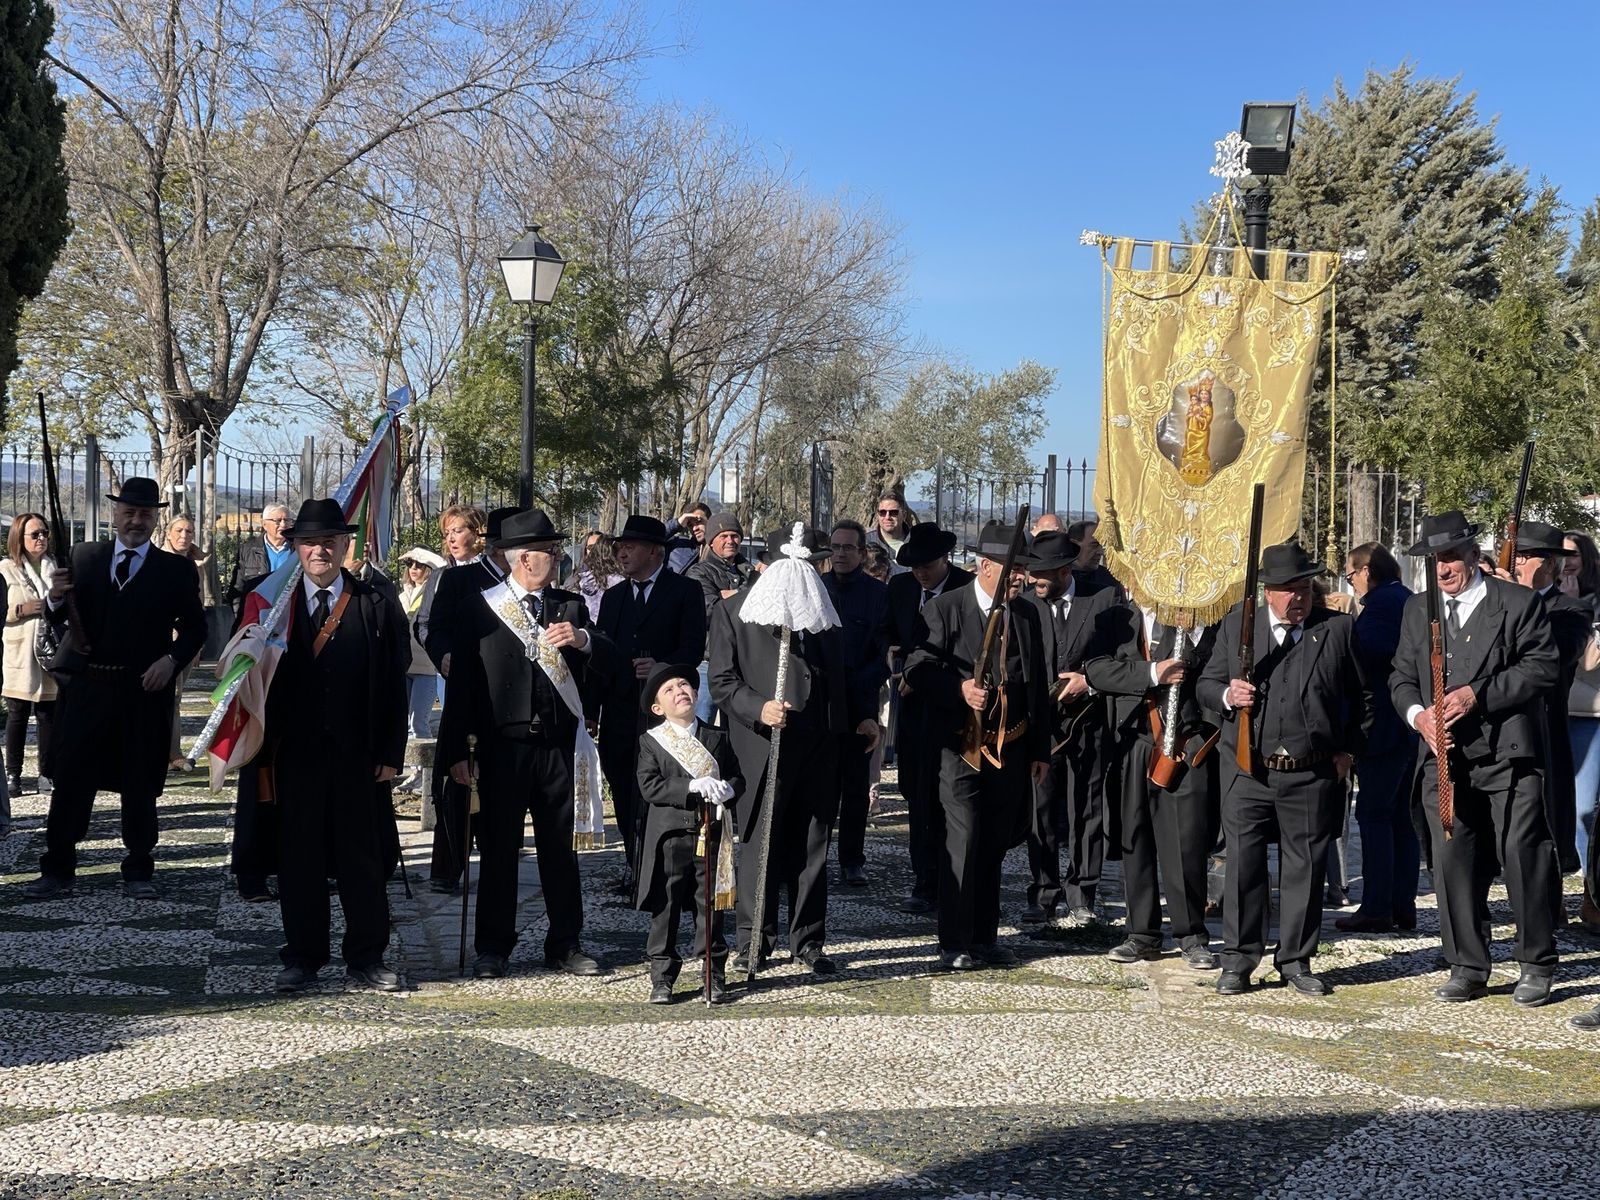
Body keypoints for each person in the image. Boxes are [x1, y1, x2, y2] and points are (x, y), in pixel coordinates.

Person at [1391, 510, 1561, 1006]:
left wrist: (1476, 696)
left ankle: (1535, 962)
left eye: (1449, 557)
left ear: (1472, 554)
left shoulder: (1517, 603)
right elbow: (1400, 676)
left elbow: (1542, 668)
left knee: (1522, 856)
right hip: (1444, 757)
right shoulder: (1418, 610)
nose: (1442, 569)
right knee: (1452, 862)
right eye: (1434, 560)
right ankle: (1467, 963)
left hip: (1509, 755)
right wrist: (1418, 715)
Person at [441, 508, 607, 978]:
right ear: (522, 557)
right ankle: (493, 946)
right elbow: (464, 685)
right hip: (501, 747)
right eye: (548, 552)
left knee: (561, 849)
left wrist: (584, 641)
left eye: (556, 551)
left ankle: (566, 943)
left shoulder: (571, 607)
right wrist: (456, 751)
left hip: (557, 747)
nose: (555, 558)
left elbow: (604, 668)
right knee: (498, 849)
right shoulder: (480, 606)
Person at [1202, 542, 1373, 996]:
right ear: (1267, 593)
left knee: (1306, 867)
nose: (1297, 598)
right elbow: (1206, 684)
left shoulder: (1337, 629)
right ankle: (1238, 959)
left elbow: (1365, 699)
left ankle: (1296, 960)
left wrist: (1348, 752)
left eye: (1303, 589)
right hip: (1247, 770)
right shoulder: (1239, 626)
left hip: (1310, 771)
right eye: (1286, 590)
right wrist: (1226, 697)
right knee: (1243, 867)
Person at [24, 478, 206, 900]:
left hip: (142, 690)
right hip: (88, 688)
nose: (136, 520)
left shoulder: (174, 569)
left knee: (140, 780)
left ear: (156, 518)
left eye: (145, 514)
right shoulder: (85, 557)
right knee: (71, 780)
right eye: (128, 512)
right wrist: (53, 599)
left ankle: (139, 868)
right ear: (115, 514)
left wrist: (171, 661)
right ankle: (58, 868)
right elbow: (60, 621)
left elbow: (196, 630)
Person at [255, 498, 408, 992]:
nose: (319, 550)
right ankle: (302, 956)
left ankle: (367, 956)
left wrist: (390, 752)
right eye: (309, 542)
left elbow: (392, 683)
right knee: (299, 859)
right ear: (295, 547)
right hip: (293, 755)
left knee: (361, 859)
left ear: (345, 546)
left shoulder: (375, 604)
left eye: (329, 542)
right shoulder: (268, 603)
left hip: (357, 755)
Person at [709, 527, 858, 975]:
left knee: (812, 843)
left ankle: (807, 938)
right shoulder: (733, 612)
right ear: (767, 566)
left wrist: (855, 722)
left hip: (818, 743)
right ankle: (754, 939)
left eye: (813, 567)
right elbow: (721, 681)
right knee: (761, 843)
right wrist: (759, 707)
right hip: (763, 744)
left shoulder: (823, 611)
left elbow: (840, 677)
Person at [906, 522, 1049, 970]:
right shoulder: (947, 609)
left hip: (1011, 748)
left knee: (993, 844)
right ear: (985, 567)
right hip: (960, 749)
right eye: (1011, 571)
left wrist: (1041, 751)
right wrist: (959, 689)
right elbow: (917, 668)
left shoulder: (1027, 614)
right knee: (962, 843)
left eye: (1022, 570)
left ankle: (985, 937)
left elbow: (1039, 687)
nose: (1019, 579)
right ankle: (954, 941)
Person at [1083, 594, 1220, 970]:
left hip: (1184, 744)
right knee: (1136, 841)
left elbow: (1215, 668)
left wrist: (1191, 631)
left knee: (1186, 842)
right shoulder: (1115, 617)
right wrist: (1152, 673)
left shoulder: (1200, 614)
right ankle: (1141, 934)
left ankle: (1191, 934)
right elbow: (1097, 670)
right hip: (1134, 744)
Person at [591, 515, 707, 883]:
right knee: (624, 786)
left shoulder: (684, 592)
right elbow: (602, 654)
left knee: (664, 786)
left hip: (665, 712)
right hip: (621, 709)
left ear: (655, 551)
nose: (622, 553)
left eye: (631, 547)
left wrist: (663, 667)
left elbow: (693, 646)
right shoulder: (613, 596)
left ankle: (669, 868)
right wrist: (592, 710)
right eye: (619, 547)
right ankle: (636, 864)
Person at [1023, 529, 1119, 926]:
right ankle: (1043, 892)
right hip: (1041, 729)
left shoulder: (1102, 600)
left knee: (1087, 811)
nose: (1034, 580)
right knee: (1040, 813)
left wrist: (1087, 680)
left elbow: (1118, 657)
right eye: (1031, 572)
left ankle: (1082, 894)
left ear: (1064, 571)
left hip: (1088, 725)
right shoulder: (1025, 606)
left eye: (1042, 573)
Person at [634, 662, 742, 1004]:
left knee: (709, 904)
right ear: (657, 708)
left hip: (710, 833)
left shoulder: (717, 737)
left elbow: (737, 776)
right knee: (665, 906)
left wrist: (729, 789)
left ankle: (713, 973)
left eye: (684, 685)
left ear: (696, 693)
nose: (679, 691)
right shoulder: (651, 742)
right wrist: (691, 785)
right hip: (670, 838)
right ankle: (662, 977)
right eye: (669, 690)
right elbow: (649, 786)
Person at [885, 522, 973, 912]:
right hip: (911, 706)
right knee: (917, 793)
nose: (921, 572)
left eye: (928, 565)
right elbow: (884, 633)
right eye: (915, 565)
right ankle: (924, 880)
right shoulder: (901, 589)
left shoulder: (966, 590)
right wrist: (893, 658)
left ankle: (956, 881)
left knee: (952, 797)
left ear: (945, 559)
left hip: (954, 706)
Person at [1334, 542, 1420, 934]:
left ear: (1367, 570)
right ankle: (1401, 905)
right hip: (1403, 724)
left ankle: (1378, 907)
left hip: (1383, 725)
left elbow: (1367, 655)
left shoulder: (1384, 605)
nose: (1350, 582)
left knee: (1374, 815)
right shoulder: (1402, 599)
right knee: (1399, 817)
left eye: (1351, 574)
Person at [1494, 521, 1590, 875]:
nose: (1516, 563)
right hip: (1494, 725)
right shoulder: (1493, 602)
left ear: (1550, 564)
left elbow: (1555, 656)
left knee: (1543, 824)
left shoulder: (1571, 610)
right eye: (1515, 555)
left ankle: (1548, 904)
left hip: (1541, 728)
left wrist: (1515, 603)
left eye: (1526, 556)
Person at [822, 520, 890, 886]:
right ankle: (810, 855)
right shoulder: (817, 589)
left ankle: (851, 859)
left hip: (858, 703)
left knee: (853, 787)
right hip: (819, 705)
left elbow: (879, 656)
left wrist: (862, 709)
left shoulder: (878, 596)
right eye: (835, 547)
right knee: (819, 789)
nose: (841, 553)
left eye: (849, 547)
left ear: (863, 553)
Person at [2, 513, 57, 804]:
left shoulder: (54, 567)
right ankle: (13, 775)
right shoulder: (6, 569)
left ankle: (46, 773)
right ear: (19, 539)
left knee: (48, 715)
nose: (41, 539)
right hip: (20, 651)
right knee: (17, 714)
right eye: (34, 534)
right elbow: (3, 610)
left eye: (44, 533)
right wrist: (23, 609)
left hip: (49, 651)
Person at [163, 515, 210, 772]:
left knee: (176, 698)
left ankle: (172, 753)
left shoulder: (195, 565)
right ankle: (167, 753)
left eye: (189, 531)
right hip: (162, 639)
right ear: (168, 533)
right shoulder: (156, 560)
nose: (184, 535)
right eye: (179, 530)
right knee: (167, 696)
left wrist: (197, 643)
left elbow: (199, 607)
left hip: (187, 640)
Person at [397, 546, 446, 782]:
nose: (414, 569)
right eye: (410, 564)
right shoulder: (404, 591)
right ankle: (412, 772)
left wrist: (425, 556)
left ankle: (422, 776)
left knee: (419, 723)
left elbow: (443, 566)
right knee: (405, 721)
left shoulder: (434, 586)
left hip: (425, 666)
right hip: (405, 665)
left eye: (419, 564)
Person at [227, 502, 293, 614]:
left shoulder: (297, 550)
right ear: (264, 524)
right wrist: (243, 617)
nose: (283, 524)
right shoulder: (248, 550)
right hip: (255, 616)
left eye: (287, 520)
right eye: (278, 520)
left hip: (289, 615)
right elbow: (237, 589)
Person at [564, 531, 622, 623]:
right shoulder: (576, 579)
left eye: (598, 547)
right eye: (591, 547)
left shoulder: (619, 580)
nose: (595, 551)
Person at [867, 493, 912, 567]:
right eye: (882, 512)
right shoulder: (865, 542)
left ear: (904, 515)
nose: (887, 517)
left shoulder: (915, 542)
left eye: (893, 512)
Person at [665, 502, 711, 574]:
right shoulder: (677, 545)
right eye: (690, 525)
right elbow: (651, 537)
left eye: (698, 522)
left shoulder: (721, 547)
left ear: (710, 520)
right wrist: (677, 524)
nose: (695, 528)